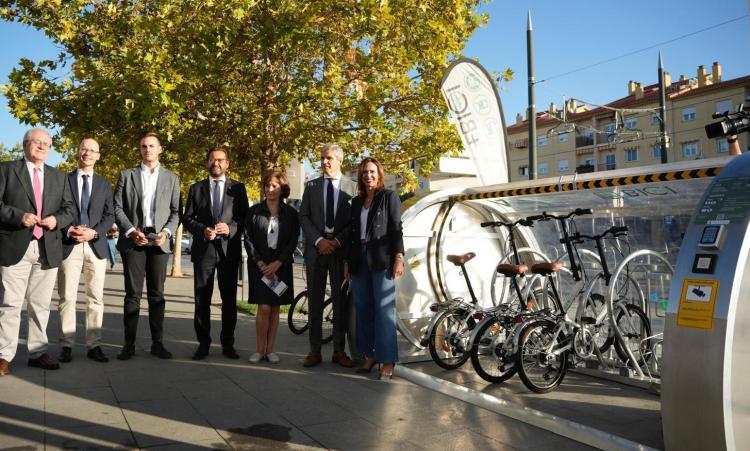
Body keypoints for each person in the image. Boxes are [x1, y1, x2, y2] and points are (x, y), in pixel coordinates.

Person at [0, 128, 74, 375]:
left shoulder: (59, 176)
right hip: (14, 245)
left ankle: (38, 352)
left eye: (47, 143)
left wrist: (56, 220)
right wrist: (19, 216)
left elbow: (69, 209)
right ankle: (3, 355)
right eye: (37, 142)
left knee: (41, 304)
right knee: (10, 303)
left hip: (47, 247)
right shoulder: (6, 170)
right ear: (25, 144)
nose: (42, 147)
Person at [113, 132, 181, 360]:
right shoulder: (126, 175)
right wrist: (131, 231)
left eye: (152, 146)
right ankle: (128, 344)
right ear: (140, 149)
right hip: (134, 239)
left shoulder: (172, 178)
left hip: (159, 241)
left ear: (160, 149)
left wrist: (166, 232)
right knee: (132, 294)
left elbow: (175, 212)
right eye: (143, 146)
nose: (147, 149)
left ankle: (157, 343)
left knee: (157, 294)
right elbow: (118, 207)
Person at [182, 147, 248, 360]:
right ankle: (203, 343)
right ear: (207, 162)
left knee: (229, 301)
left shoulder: (238, 188)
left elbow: (244, 218)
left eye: (220, 160)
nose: (216, 163)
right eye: (212, 159)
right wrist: (202, 230)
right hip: (204, 251)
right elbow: (187, 218)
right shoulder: (196, 188)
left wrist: (231, 229)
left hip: (229, 252)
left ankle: (228, 344)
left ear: (227, 163)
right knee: (202, 299)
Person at [344, 157, 404, 380]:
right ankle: (370, 355)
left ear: (379, 174)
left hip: (382, 258)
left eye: (372, 172)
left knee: (384, 310)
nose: (368, 176)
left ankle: (387, 360)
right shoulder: (357, 201)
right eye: (364, 172)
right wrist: (347, 263)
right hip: (359, 258)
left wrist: (399, 256)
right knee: (364, 309)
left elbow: (397, 228)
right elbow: (352, 235)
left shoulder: (389, 197)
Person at [56, 138, 115, 364]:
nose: (87, 153)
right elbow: (57, 209)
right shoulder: (63, 180)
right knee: (67, 297)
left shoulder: (104, 184)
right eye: (84, 149)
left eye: (92, 150)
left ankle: (94, 345)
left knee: (95, 298)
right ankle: (66, 345)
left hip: (95, 246)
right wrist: (69, 229)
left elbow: (109, 216)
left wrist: (94, 233)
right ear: (77, 152)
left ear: (98, 156)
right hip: (69, 244)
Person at [298, 143, 357, 368]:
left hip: (340, 253)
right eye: (322, 158)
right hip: (316, 251)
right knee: (315, 301)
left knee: (340, 303)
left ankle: (339, 351)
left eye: (329, 158)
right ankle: (314, 351)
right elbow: (303, 216)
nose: (325, 162)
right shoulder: (311, 186)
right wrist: (319, 240)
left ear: (340, 160)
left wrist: (337, 241)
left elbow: (353, 223)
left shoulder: (352, 188)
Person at [244, 172, 300, 364]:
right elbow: (248, 239)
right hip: (259, 267)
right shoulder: (254, 211)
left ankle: (270, 350)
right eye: (267, 185)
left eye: (274, 186)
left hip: (280, 267)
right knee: (264, 307)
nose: (269, 189)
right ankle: (259, 350)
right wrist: (260, 262)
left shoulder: (292, 214)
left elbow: (293, 240)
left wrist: (279, 262)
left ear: (282, 189)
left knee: (275, 308)